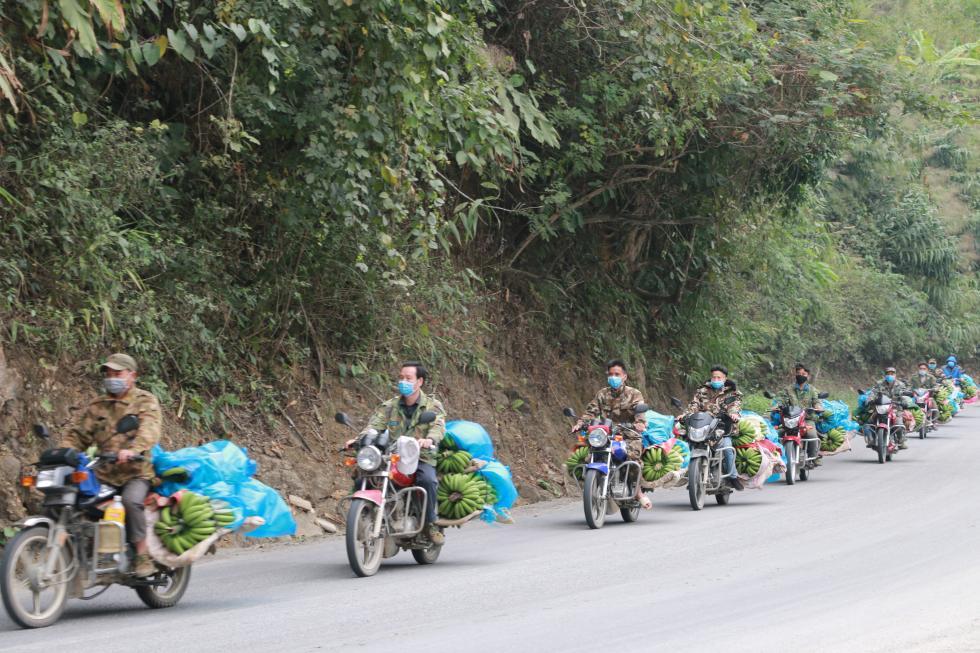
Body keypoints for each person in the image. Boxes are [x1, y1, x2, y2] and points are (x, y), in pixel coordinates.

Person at [60, 353, 161, 577]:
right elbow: (79, 435)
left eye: (117, 373)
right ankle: (84, 551)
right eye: (108, 373)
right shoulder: (98, 405)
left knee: (131, 501)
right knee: (75, 497)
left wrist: (133, 450)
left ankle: (142, 556)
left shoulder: (144, 401)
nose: (111, 378)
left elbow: (150, 430)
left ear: (132, 375)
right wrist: (64, 452)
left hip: (136, 472)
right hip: (103, 472)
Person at [360, 361, 446, 544]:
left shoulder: (432, 405)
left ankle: (430, 524)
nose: (403, 382)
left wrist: (429, 439)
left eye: (408, 378)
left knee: (427, 480)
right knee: (364, 476)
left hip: (421, 456)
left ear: (419, 381)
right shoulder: (390, 406)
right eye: (401, 378)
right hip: (393, 457)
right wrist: (359, 438)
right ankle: (363, 515)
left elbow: (438, 426)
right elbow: (374, 426)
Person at [572, 359, 651, 508]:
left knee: (632, 457)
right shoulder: (602, 394)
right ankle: (593, 484)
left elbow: (640, 412)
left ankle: (638, 492)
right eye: (610, 374)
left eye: (617, 374)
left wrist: (640, 423)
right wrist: (580, 423)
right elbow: (591, 411)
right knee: (587, 457)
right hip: (605, 434)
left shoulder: (634, 394)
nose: (613, 377)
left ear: (624, 376)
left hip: (628, 434)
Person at [680, 366, 744, 490]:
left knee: (727, 448)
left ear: (725, 378)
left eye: (719, 377)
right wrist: (685, 415)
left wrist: (733, 414)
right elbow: (694, 405)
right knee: (689, 443)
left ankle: (733, 476)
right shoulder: (702, 390)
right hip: (703, 425)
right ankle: (691, 474)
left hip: (722, 427)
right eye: (714, 377)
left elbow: (734, 405)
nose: (716, 379)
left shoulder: (732, 392)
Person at [776, 363, 825, 465]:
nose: (800, 375)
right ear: (795, 374)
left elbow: (816, 401)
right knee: (776, 434)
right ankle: (776, 458)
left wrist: (818, 407)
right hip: (790, 420)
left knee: (812, 435)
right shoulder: (788, 389)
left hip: (807, 419)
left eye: (803, 374)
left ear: (808, 376)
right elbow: (781, 399)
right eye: (798, 373)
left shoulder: (812, 390)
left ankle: (813, 457)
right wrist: (778, 405)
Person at [869, 366, 912, 449]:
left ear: (895, 375)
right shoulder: (879, 383)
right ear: (885, 375)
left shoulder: (900, 384)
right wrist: (870, 399)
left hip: (896, 408)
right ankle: (872, 439)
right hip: (881, 407)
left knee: (899, 423)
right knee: (870, 421)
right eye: (888, 374)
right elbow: (873, 392)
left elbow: (905, 394)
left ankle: (901, 441)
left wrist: (904, 400)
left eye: (892, 374)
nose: (890, 375)